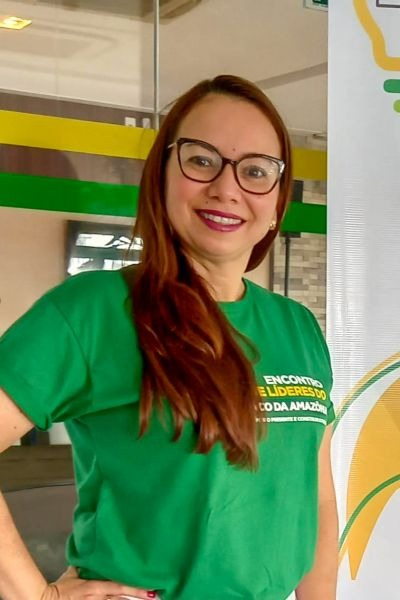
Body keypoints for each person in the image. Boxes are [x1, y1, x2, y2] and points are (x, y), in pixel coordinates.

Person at [0, 74, 338, 600]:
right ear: (161, 176)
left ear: (276, 204)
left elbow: (316, 498)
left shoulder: (297, 326)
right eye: (201, 160)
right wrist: (37, 596)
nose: (227, 188)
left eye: (256, 171)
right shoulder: (95, 310)